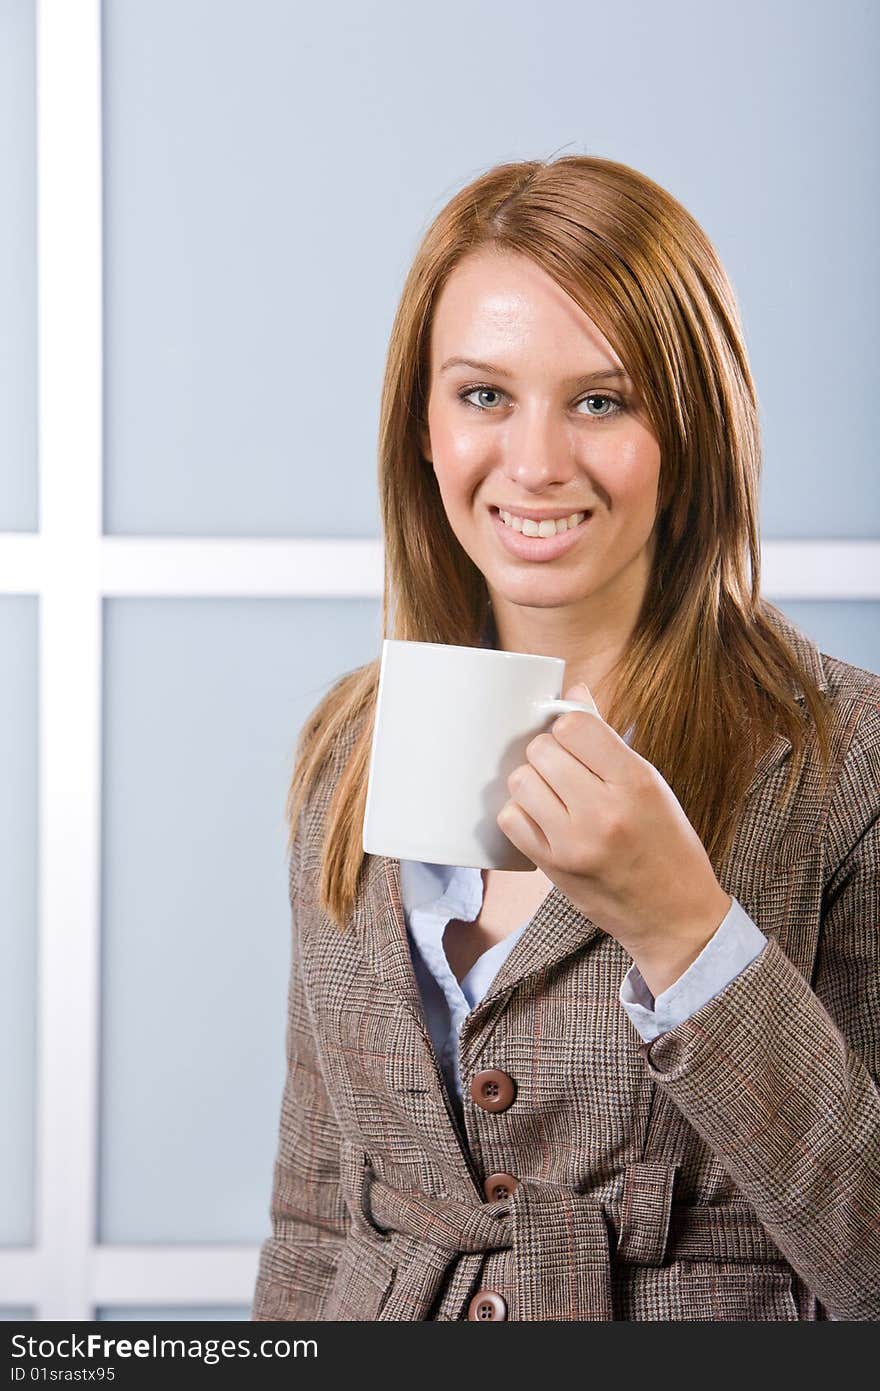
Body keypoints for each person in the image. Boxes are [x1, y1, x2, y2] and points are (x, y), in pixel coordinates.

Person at [251, 154, 880, 1322]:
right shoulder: (351, 749)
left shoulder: (849, 765)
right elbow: (317, 1216)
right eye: (484, 395)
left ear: (690, 426)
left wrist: (687, 933)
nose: (535, 463)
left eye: (602, 399)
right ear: (422, 427)